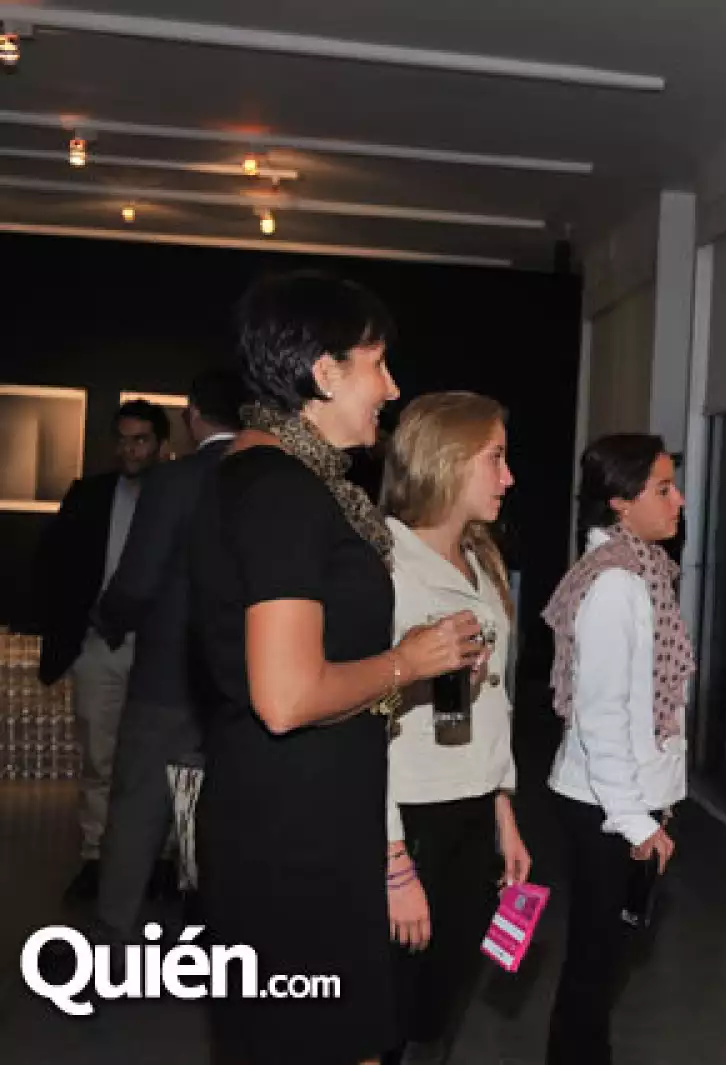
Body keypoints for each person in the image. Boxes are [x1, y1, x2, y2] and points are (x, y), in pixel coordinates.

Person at [189, 271, 482, 1065]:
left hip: (296, 815)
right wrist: (405, 661)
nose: (390, 387)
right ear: (324, 373)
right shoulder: (283, 491)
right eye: (377, 364)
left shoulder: (270, 477)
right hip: (297, 834)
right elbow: (284, 696)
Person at [380, 392, 530, 1063]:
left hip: (471, 809)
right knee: (391, 1006)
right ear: (447, 459)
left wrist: (504, 813)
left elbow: (486, 705)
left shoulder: (483, 562)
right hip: (410, 817)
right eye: (495, 458)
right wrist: (393, 861)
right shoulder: (387, 567)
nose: (509, 477)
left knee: (441, 1002)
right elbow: (361, 729)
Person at [543, 433, 693, 1065]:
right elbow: (600, 717)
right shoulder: (615, 586)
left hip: (624, 800)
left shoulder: (644, 571)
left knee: (604, 962)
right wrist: (635, 822)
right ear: (620, 503)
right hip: (607, 806)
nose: (678, 499)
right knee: (594, 965)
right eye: (662, 488)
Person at [94, 368, 248, 940]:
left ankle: (111, 946)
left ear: (193, 416)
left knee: (136, 814)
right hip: (243, 685)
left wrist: (108, 621)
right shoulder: (271, 479)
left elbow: (136, 581)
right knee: (217, 821)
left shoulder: (173, 481)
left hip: (165, 678)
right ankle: (210, 942)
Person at [34, 398, 169, 900]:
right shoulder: (88, 494)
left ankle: (157, 860)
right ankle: (94, 858)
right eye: (123, 438)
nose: (129, 449)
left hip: (161, 649)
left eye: (140, 439)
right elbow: (55, 562)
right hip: (98, 646)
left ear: (161, 444)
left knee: (156, 756)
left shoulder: (177, 494)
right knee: (98, 756)